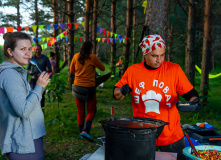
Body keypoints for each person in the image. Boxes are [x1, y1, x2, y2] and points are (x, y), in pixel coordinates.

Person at [113, 34, 202, 160]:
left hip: (171, 134)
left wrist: (195, 103)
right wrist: (121, 90)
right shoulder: (133, 71)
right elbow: (117, 94)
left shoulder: (174, 70)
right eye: (154, 56)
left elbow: (190, 94)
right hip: (142, 134)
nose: (159, 60)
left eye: (162, 55)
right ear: (145, 54)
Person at [0, 32, 50, 160]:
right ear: (10, 52)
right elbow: (23, 110)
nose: (28, 53)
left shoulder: (17, 71)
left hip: (29, 134)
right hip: (23, 138)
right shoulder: (11, 75)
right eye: (22, 49)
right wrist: (39, 87)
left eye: (29, 49)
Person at [70, 41, 105, 141]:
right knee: (92, 110)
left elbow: (71, 71)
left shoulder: (76, 56)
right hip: (89, 88)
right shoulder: (92, 57)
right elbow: (102, 68)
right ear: (90, 48)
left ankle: (81, 132)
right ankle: (85, 131)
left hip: (77, 87)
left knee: (80, 111)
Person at [27, 45, 52, 110]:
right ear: (34, 50)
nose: (37, 51)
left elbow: (50, 69)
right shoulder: (32, 58)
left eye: (38, 49)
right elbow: (28, 69)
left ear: (41, 50)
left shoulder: (45, 58)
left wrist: (43, 73)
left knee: (41, 96)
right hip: (33, 79)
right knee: (33, 95)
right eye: (36, 50)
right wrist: (30, 72)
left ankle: (41, 110)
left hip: (42, 80)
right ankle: (34, 110)